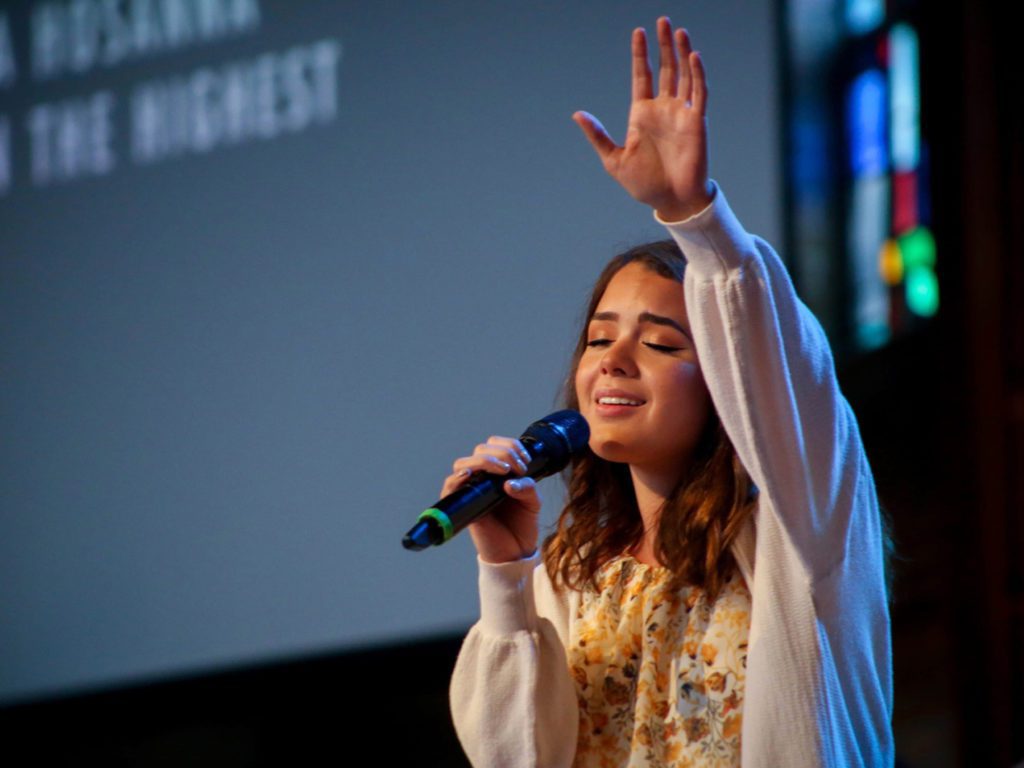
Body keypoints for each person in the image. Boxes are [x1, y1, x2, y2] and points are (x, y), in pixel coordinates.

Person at [445, 17, 893, 768]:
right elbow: (512, 757)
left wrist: (696, 218)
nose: (614, 360)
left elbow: (784, 373)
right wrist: (506, 580)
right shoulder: (575, 570)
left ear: (727, 378)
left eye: (659, 343)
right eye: (598, 339)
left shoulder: (799, 527)